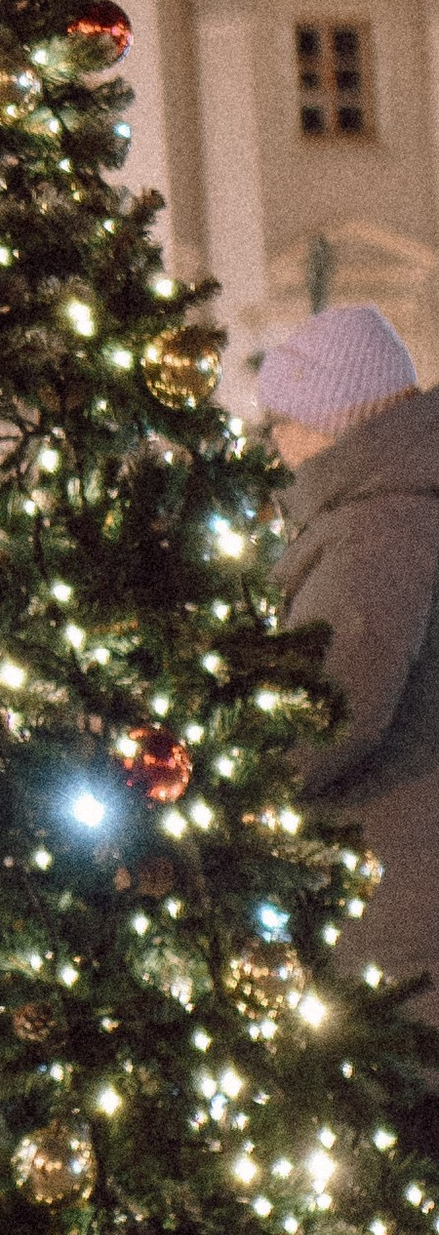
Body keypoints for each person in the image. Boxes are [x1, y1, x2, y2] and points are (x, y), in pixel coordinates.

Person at [265, 303, 439, 1003]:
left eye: (278, 421)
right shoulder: (401, 509)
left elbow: (329, 714)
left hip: (396, 921)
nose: (273, 445)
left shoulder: (377, 532)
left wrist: (220, 773)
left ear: (328, 422)